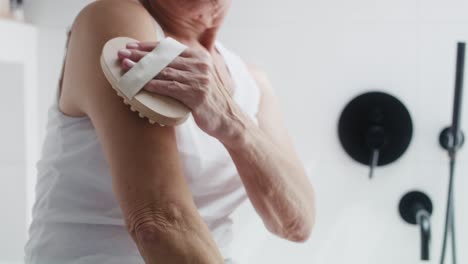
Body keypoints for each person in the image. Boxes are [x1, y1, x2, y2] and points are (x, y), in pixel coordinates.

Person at [25, 0, 316, 263]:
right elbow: (160, 222)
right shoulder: (116, 19)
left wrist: (234, 124)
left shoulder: (251, 82)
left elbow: (297, 223)